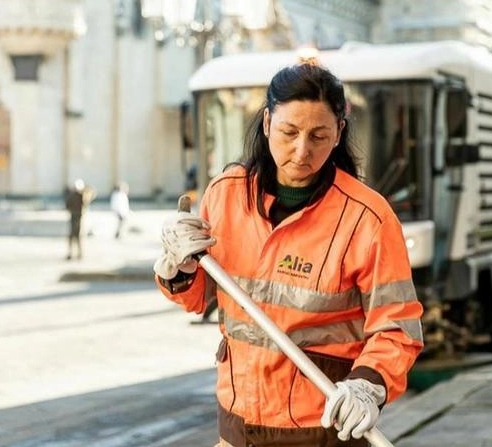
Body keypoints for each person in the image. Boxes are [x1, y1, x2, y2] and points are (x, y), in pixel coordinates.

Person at [153, 63, 424, 447]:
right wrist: (178, 270)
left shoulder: (367, 218)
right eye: (289, 132)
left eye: (319, 135)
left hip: (322, 431)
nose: (302, 151)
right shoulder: (225, 195)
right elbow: (198, 299)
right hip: (237, 427)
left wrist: (368, 386)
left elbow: (397, 329)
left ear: (339, 133)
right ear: (266, 124)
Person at [65, 178, 94, 260]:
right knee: (74, 236)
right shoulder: (75, 195)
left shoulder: (83, 195)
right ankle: (73, 253)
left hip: (78, 217)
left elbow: (89, 198)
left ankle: (78, 253)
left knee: (78, 237)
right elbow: (68, 205)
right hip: (75, 217)